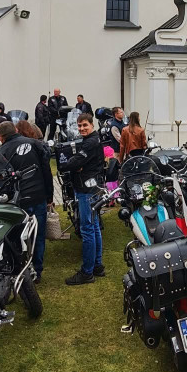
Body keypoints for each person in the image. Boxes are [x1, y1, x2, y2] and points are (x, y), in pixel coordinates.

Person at [0, 121, 53, 283]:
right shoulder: (35, 143)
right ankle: (37, 270)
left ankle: (20, 270)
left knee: (16, 236)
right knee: (38, 235)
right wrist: (49, 195)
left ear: (0, 136)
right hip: (38, 196)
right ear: (15, 130)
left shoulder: (1, 151)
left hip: (17, 200)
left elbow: (2, 181)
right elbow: (46, 171)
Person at [60, 113, 105, 285]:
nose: (81, 129)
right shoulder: (91, 140)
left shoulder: (91, 142)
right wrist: (77, 164)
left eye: (85, 125)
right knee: (93, 227)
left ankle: (87, 272)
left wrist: (70, 164)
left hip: (87, 190)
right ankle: (97, 266)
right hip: (92, 187)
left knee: (87, 229)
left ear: (92, 125)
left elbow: (75, 161)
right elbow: (78, 162)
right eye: (79, 126)